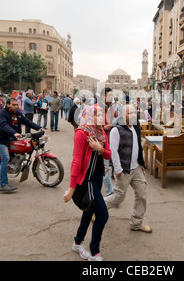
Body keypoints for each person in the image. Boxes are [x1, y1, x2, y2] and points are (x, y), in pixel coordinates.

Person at [63, 104, 111, 261]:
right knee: (102, 215)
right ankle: (94, 251)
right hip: (87, 181)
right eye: (97, 115)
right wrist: (71, 188)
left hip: (98, 179)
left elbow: (108, 155)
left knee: (89, 210)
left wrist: (100, 148)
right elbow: (76, 161)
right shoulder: (81, 134)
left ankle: (77, 241)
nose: (101, 118)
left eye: (102, 115)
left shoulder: (101, 133)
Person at [104, 104, 152, 233]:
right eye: (129, 113)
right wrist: (118, 170)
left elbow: (138, 147)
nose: (133, 115)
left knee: (142, 195)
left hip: (136, 169)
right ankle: (96, 208)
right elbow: (113, 151)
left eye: (134, 113)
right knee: (117, 198)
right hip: (124, 170)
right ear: (123, 115)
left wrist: (141, 164)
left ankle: (137, 223)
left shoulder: (135, 127)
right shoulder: (117, 129)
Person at [0, 98, 43, 193]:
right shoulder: (1, 114)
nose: (16, 106)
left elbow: (27, 121)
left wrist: (39, 128)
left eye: (17, 105)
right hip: (0, 139)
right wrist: (13, 133)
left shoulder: (17, 113)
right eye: (14, 105)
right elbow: (3, 125)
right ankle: (3, 185)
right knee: (5, 158)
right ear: (8, 105)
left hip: (10, 137)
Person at [99, 88, 116, 197]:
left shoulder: (110, 109)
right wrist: (103, 127)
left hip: (110, 140)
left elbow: (115, 119)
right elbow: (90, 126)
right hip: (100, 141)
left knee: (105, 166)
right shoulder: (97, 109)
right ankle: (110, 192)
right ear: (102, 97)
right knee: (105, 167)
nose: (111, 98)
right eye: (109, 96)